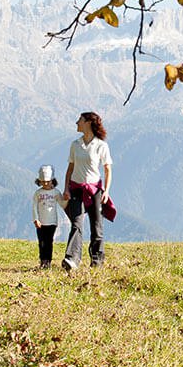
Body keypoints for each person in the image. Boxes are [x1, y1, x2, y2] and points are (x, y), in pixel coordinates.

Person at [62, 111, 113, 271]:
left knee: (96, 226)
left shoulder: (101, 145)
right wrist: (66, 188)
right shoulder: (75, 145)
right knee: (76, 224)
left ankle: (97, 260)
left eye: (80, 120)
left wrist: (106, 191)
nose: (77, 122)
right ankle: (72, 259)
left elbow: (107, 169)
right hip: (76, 188)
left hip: (95, 190)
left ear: (88, 123)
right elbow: (70, 168)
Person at [32, 164, 66, 269]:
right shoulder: (38, 193)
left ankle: (48, 262)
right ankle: (43, 261)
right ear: (39, 181)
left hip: (52, 222)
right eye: (43, 182)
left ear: (52, 180)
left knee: (49, 241)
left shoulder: (55, 192)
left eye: (48, 181)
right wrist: (36, 219)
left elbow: (63, 204)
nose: (45, 184)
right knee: (42, 242)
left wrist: (67, 198)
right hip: (41, 223)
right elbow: (34, 207)